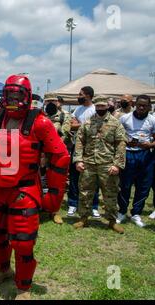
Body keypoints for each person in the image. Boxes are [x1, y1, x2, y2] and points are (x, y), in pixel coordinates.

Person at [0, 75, 70, 300]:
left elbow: (60, 157)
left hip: (23, 191)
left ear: (27, 96)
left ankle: (23, 287)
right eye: (10, 95)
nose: (14, 99)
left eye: (18, 95)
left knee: (23, 243)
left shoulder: (40, 122)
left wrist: (53, 194)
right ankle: (3, 270)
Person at [73, 96, 127, 233]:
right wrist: (78, 160)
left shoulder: (115, 123)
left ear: (108, 106)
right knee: (85, 192)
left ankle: (112, 221)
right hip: (88, 164)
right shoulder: (88, 123)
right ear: (95, 106)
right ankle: (83, 218)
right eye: (98, 106)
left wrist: (117, 164)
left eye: (103, 106)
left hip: (107, 164)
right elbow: (79, 141)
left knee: (110, 194)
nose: (100, 109)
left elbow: (121, 144)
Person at [117, 95, 155, 227]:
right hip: (128, 154)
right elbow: (119, 135)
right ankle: (122, 212)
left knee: (143, 186)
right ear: (134, 105)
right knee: (125, 184)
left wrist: (150, 145)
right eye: (139, 105)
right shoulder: (125, 118)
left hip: (145, 155)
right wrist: (126, 141)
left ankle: (136, 213)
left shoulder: (153, 120)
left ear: (149, 106)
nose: (141, 107)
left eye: (144, 105)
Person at [68, 86, 100, 218]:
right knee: (75, 176)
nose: (78, 96)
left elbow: (98, 126)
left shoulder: (95, 110)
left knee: (93, 178)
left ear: (88, 95)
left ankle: (94, 206)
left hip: (92, 148)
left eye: (80, 94)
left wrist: (80, 125)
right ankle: (73, 204)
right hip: (77, 146)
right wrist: (86, 125)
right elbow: (71, 125)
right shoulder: (78, 109)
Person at [43, 93, 73, 224]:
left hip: (57, 155)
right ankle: (41, 207)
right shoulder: (39, 115)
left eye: (53, 101)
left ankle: (55, 211)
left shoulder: (64, 115)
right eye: (48, 101)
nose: (50, 103)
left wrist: (51, 147)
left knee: (57, 184)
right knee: (40, 181)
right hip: (41, 155)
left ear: (58, 102)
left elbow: (64, 134)